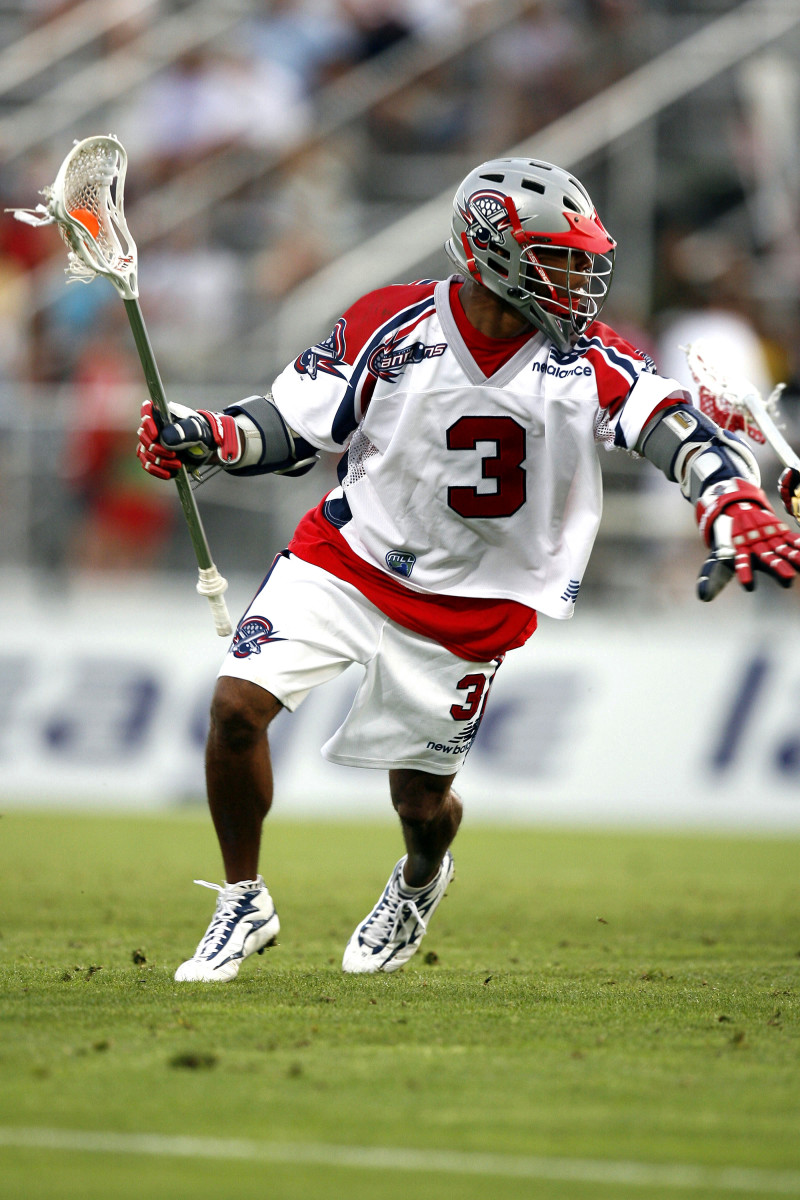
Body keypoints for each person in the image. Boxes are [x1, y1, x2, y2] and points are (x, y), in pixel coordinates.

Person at [136, 157, 800, 981]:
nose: (579, 278)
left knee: (420, 805)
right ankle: (243, 898)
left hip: (471, 607)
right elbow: (293, 426)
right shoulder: (391, 322)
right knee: (236, 708)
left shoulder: (587, 358)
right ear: (493, 251)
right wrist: (210, 434)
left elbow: (673, 427)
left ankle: (419, 879)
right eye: (558, 258)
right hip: (348, 560)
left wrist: (729, 499)